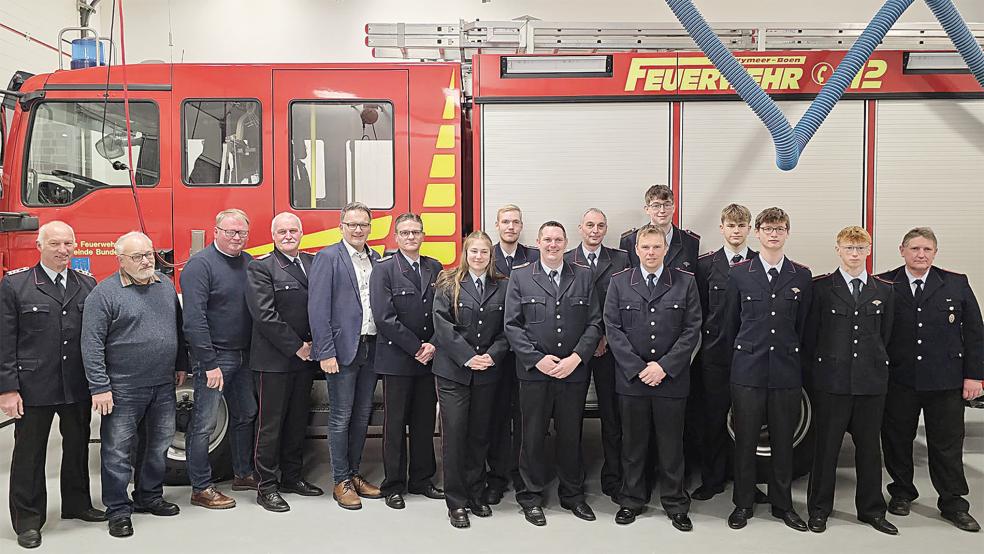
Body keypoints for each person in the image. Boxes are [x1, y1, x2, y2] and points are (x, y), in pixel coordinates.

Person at [0, 221, 104, 549]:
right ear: (39, 246)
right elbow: (4, 341)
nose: (63, 251)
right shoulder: (16, 285)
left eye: (69, 244)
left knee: (76, 448)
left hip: (75, 384)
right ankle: (28, 520)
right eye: (56, 244)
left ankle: (77, 504)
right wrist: (7, 388)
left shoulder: (87, 284)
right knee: (30, 455)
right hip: (33, 386)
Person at [81, 232, 188, 538]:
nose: (146, 261)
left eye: (149, 254)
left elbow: (177, 329)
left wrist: (181, 364)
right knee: (117, 451)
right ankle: (118, 509)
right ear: (121, 261)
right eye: (137, 256)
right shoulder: (104, 295)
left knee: (157, 446)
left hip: (162, 385)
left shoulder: (165, 287)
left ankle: (149, 496)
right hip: (122, 388)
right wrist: (99, 386)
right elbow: (91, 345)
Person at [877, 227, 983, 533]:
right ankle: (901, 493)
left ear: (935, 253)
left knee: (947, 444)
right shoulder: (886, 283)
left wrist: (975, 375)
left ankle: (953, 503)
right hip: (900, 380)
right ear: (902, 250)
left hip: (945, 381)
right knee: (897, 441)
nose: (920, 255)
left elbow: (975, 333)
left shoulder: (955, 283)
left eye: (927, 250)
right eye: (914, 249)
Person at [504, 221, 602, 526]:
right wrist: (536, 359)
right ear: (538, 242)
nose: (552, 245)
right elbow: (512, 325)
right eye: (547, 240)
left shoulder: (583, 275)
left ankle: (573, 495)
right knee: (531, 435)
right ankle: (531, 496)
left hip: (573, 372)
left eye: (558, 240)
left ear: (565, 242)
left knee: (571, 435)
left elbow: (595, 323)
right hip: (534, 372)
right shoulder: (521, 276)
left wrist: (576, 358)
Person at [604, 225, 701, 531]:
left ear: (665, 249)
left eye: (656, 247)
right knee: (633, 445)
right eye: (645, 247)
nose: (650, 252)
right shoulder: (620, 282)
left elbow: (691, 328)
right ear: (636, 249)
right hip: (632, 381)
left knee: (672, 446)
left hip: (671, 380)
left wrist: (664, 366)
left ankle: (675, 502)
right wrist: (637, 367)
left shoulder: (685, 282)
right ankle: (631, 500)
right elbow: (613, 328)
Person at [722, 207, 812, 532]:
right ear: (756, 233)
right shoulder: (739, 274)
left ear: (787, 233)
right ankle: (743, 503)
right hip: (748, 371)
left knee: (783, 441)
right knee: (745, 440)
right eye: (768, 228)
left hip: (785, 372)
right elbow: (729, 324)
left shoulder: (801, 276)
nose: (774, 234)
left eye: (780, 228)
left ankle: (782, 504)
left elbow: (804, 327)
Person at [803, 226, 897, 535]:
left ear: (868, 250)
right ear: (838, 250)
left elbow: (886, 336)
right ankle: (819, 510)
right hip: (832, 382)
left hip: (870, 383)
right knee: (826, 450)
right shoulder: (821, 288)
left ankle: (871, 510)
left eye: (860, 248)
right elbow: (811, 336)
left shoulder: (884, 290)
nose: (854, 254)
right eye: (848, 248)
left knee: (870, 450)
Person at [245, 212, 323, 513]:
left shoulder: (313, 263)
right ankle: (266, 486)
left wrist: (313, 347)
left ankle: (292, 477)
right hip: (274, 360)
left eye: (293, 230)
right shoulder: (261, 267)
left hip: (306, 359)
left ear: (301, 233)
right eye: (282, 231)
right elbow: (264, 315)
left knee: (296, 421)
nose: (288, 235)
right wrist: (297, 347)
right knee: (270, 425)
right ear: (273, 234)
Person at [432, 231, 510, 529]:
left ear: (492, 256)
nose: (479, 257)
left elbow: (509, 328)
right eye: (473, 251)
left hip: (488, 370)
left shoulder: (502, 285)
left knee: (480, 435)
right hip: (454, 372)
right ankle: (457, 502)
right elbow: (443, 326)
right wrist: (468, 357)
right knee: (455, 435)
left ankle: (476, 494)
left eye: (484, 252)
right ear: (465, 253)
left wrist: (492, 355)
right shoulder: (448, 282)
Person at [309, 201, 384, 509]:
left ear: (370, 228)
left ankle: (354, 474)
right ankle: (340, 480)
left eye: (363, 225)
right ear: (341, 227)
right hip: (341, 351)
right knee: (341, 417)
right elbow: (317, 308)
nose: (357, 229)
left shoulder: (375, 258)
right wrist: (325, 351)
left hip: (371, 346)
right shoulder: (328, 257)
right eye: (352, 224)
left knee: (362, 415)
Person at [181, 208, 257, 509]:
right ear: (216, 232)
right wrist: (209, 363)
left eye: (241, 232)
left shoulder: (249, 263)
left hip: (244, 356)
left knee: (246, 414)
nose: (236, 237)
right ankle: (200, 487)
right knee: (204, 424)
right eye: (230, 231)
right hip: (215, 358)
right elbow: (194, 320)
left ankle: (242, 473)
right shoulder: (200, 266)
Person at [371, 213, 445, 509]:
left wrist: (434, 346)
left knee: (425, 422)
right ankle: (394, 485)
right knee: (395, 424)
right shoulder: (385, 269)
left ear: (423, 235)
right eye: (405, 232)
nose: (411, 237)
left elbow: (443, 312)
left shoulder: (434, 266)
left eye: (415, 232)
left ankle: (422, 479)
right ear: (396, 237)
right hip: (397, 359)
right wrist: (417, 348)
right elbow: (384, 317)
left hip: (429, 359)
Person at [692, 204, 758, 501]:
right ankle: (713, 479)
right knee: (713, 419)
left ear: (749, 229)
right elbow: (698, 311)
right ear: (721, 228)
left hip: (751, 355)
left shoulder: (759, 263)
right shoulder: (706, 265)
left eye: (741, 226)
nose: (736, 231)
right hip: (715, 355)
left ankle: (748, 483)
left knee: (748, 423)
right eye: (731, 226)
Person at [564, 208, 630, 500]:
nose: (594, 230)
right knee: (571, 415)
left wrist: (604, 336)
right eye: (589, 225)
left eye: (600, 226)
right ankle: (572, 476)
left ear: (606, 229)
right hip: (574, 350)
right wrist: (584, 344)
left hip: (609, 348)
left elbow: (624, 302)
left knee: (612, 416)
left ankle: (614, 478)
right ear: (580, 228)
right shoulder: (565, 259)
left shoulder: (621, 259)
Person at [484, 204, 539, 504]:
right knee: (496, 416)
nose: (510, 226)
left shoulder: (533, 257)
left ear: (521, 226)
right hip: (494, 351)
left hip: (526, 354)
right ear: (497, 225)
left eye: (515, 222)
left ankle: (521, 473)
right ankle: (496, 476)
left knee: (524, 417)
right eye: (505, 221)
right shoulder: (485, 255)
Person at [619, 184, 700, 273]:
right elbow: (624, 282)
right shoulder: (629, 241)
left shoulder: (690, 242)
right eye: (656, 205)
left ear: (674, 208)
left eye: (667, 204)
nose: (662, 210)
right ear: (647, 209)